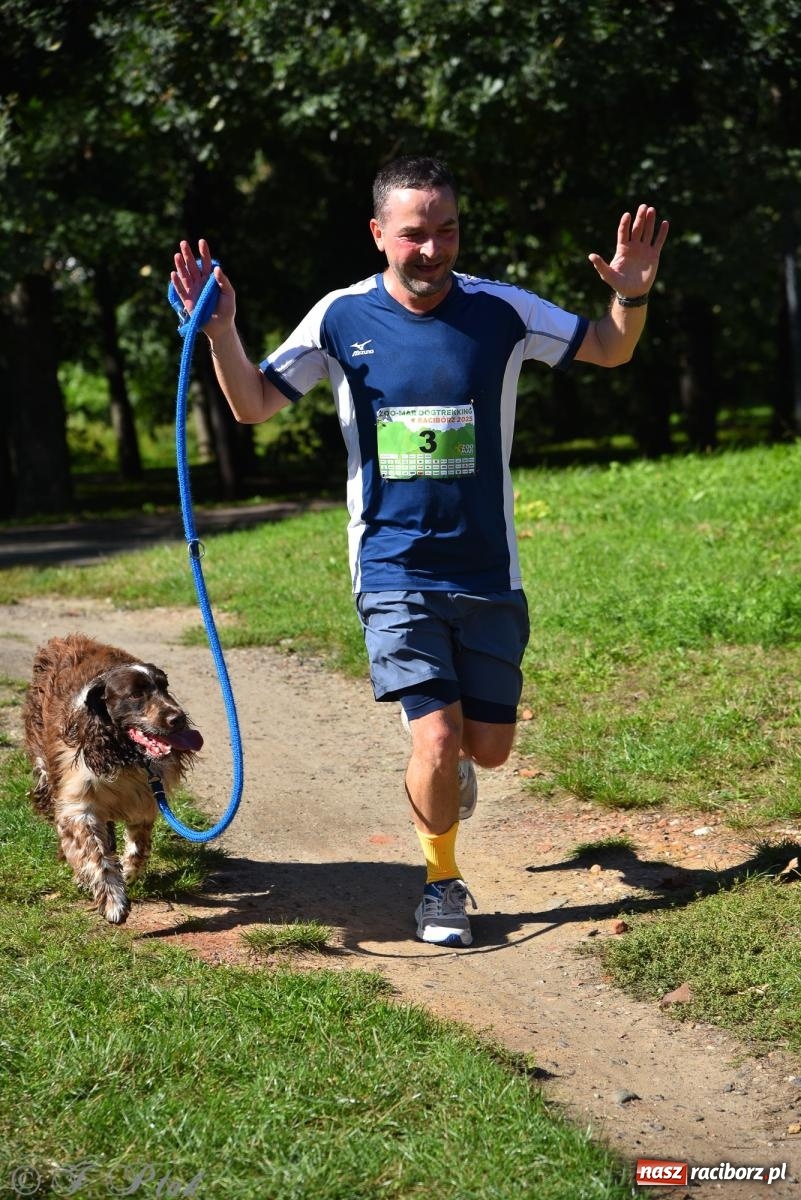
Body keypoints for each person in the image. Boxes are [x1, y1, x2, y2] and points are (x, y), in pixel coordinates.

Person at [171, 155, 669, 948]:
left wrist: (630, 292)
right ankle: (441, 885)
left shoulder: (501, 311)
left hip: (486, 570)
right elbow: (255, 405)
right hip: (392, 565)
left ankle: (452, 770)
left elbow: (611, 349)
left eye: (446, 231)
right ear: (378, 235)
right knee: (433, 736)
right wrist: (222, 330)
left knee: (489, 750)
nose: (431, 249)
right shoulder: (339, 317)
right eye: (413, 234)